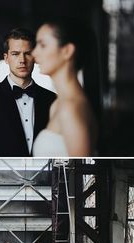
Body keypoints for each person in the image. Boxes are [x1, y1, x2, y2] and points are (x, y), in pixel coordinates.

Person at [0, 27, 55, 156]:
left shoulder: (52, 99)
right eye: (15, 54)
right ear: (6, 58)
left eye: (27, 53)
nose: (22, 60)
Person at [32, 19, 98, 157]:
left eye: (42, 45)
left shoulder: (70, 107)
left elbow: (80, 172)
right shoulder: (58, 105)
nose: (34, 53)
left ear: (67, 51)